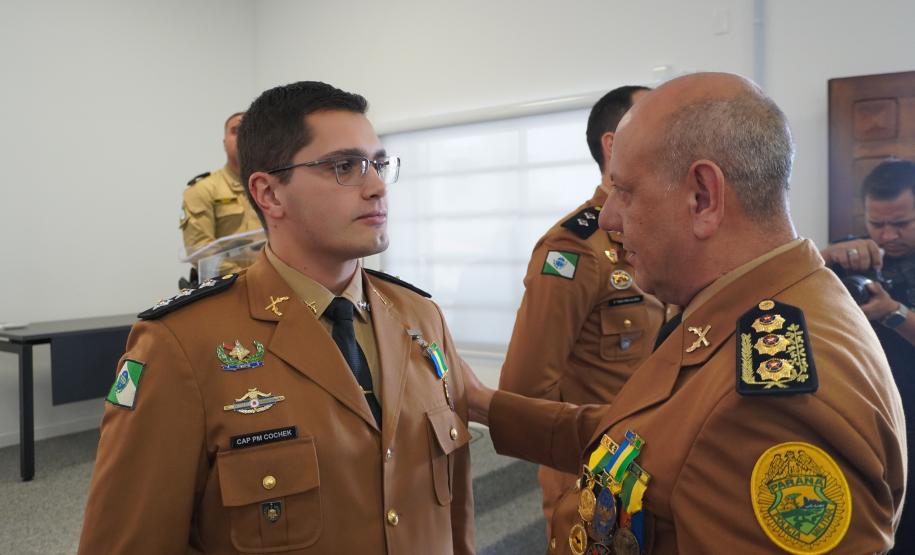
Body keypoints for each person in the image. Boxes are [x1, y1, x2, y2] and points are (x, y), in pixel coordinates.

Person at [464, 72, 906, 554]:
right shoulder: (749, 306)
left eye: (626, 192)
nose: (610, 217)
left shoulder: (767, 405)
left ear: (702, 197)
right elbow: (648, 439)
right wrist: (481, 403)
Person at [79, 81, 474, 554]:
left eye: (379, 164)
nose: (375, 188)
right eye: (344, 166)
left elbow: (455, 514)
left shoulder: (419, 315)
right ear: (269, 194)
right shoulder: (181, 346)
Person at [499, 85, 666, 533]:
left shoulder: (665, 239)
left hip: (660, 466)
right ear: (612, 145)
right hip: (596, 476)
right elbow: (523, 389)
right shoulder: (574, 249)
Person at [820, 159, 915, 553]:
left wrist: (895, 315)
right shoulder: (851, 253)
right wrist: (825, 258)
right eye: (877, 224)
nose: (888, 235)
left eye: (902, 223)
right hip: (867, 422)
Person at [180, 111, 263, 281]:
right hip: (226, 288)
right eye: (236, 130)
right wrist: (247, 278)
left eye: (250, 130)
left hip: (275, 286)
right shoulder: (203, 189)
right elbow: (200, 251)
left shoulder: (276, 187)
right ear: (224, 143)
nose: (243, 136)